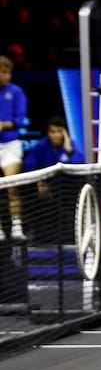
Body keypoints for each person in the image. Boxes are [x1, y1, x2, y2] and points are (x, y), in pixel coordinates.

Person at [0, 55, 28, 241]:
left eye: (7, 72)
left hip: (11, 144)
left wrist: (2, 125)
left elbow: (19, 120)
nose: (5, 76)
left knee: (12, 187)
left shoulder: (16, 92)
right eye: (2, 72)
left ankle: (17, 227)